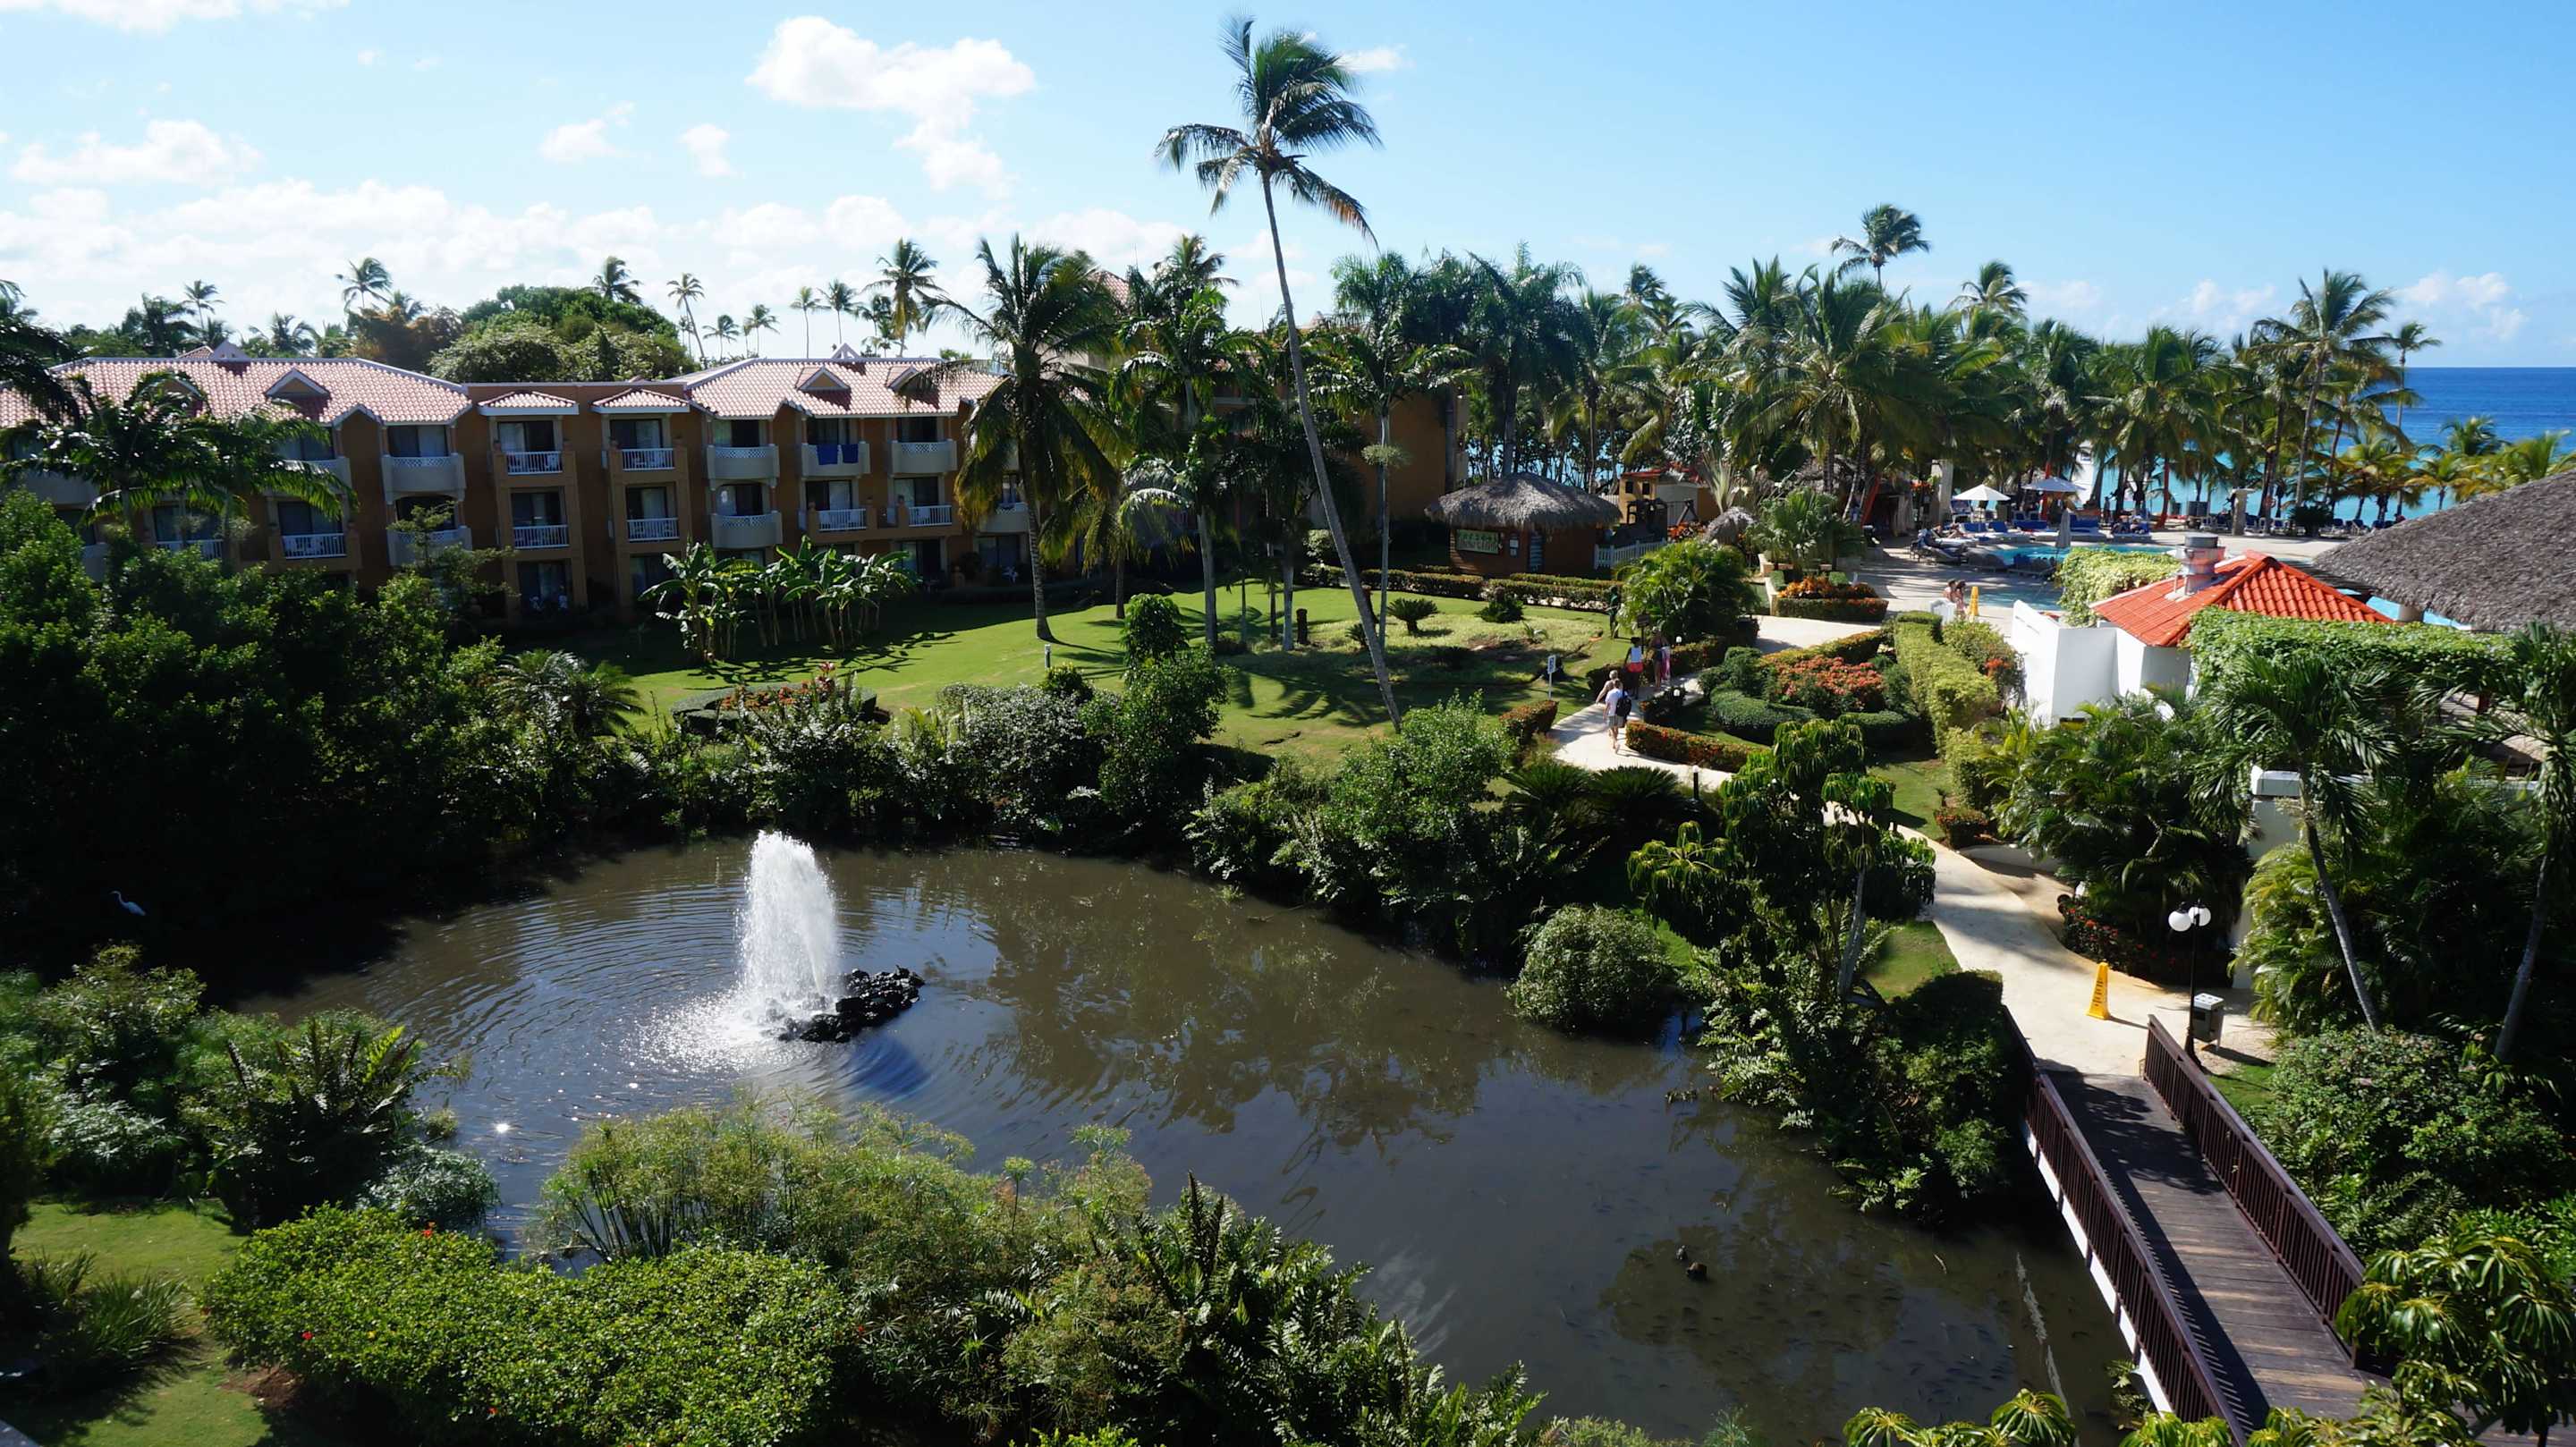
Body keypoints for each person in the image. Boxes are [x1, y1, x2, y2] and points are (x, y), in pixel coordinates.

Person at [1598, 673, 1633, 752]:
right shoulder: (1624, 693)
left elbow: (1607, 705)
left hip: (1612, 713)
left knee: (1611, 728)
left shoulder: (1611, 693)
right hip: (1620, 713)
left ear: (1614, 685)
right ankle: (1614, 744)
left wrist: (1604, 714)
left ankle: (1616, 743)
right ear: (1620, 685)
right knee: (1616, 728)